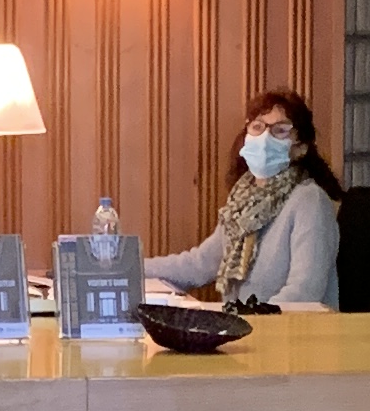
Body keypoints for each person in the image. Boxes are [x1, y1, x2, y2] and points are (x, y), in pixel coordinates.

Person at [145, 88, 342, 309]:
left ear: (301, 148)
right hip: (245, 323)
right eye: (257, 127)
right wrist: (132, 267)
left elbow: (304, 292)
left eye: (280, 131)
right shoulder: (243, 202)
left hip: (287, 327)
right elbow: (199, 265)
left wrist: (254, 320)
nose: (265, 138)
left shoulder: (310, 201)